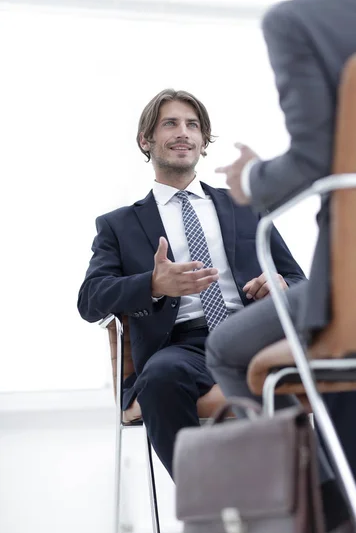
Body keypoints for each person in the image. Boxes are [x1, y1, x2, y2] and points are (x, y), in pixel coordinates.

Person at [206, 0, 356, 533]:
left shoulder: (297, 19)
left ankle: (327, 516)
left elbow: (313, 161)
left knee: (228, 350)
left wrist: (250, 179)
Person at [77, 88, 306, 478]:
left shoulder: (245, 207)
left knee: (330, 365)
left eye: (192, 125)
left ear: (203, 142)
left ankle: (344, 509)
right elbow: (90, 300)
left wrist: (280, 284)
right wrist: (152, 283)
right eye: (170, 123)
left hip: (254, 337)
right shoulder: (118, 225)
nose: (183, 132)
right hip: (183, 347)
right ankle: (211, 504)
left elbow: (301, 282)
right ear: (145, 140)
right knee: (162, 378)